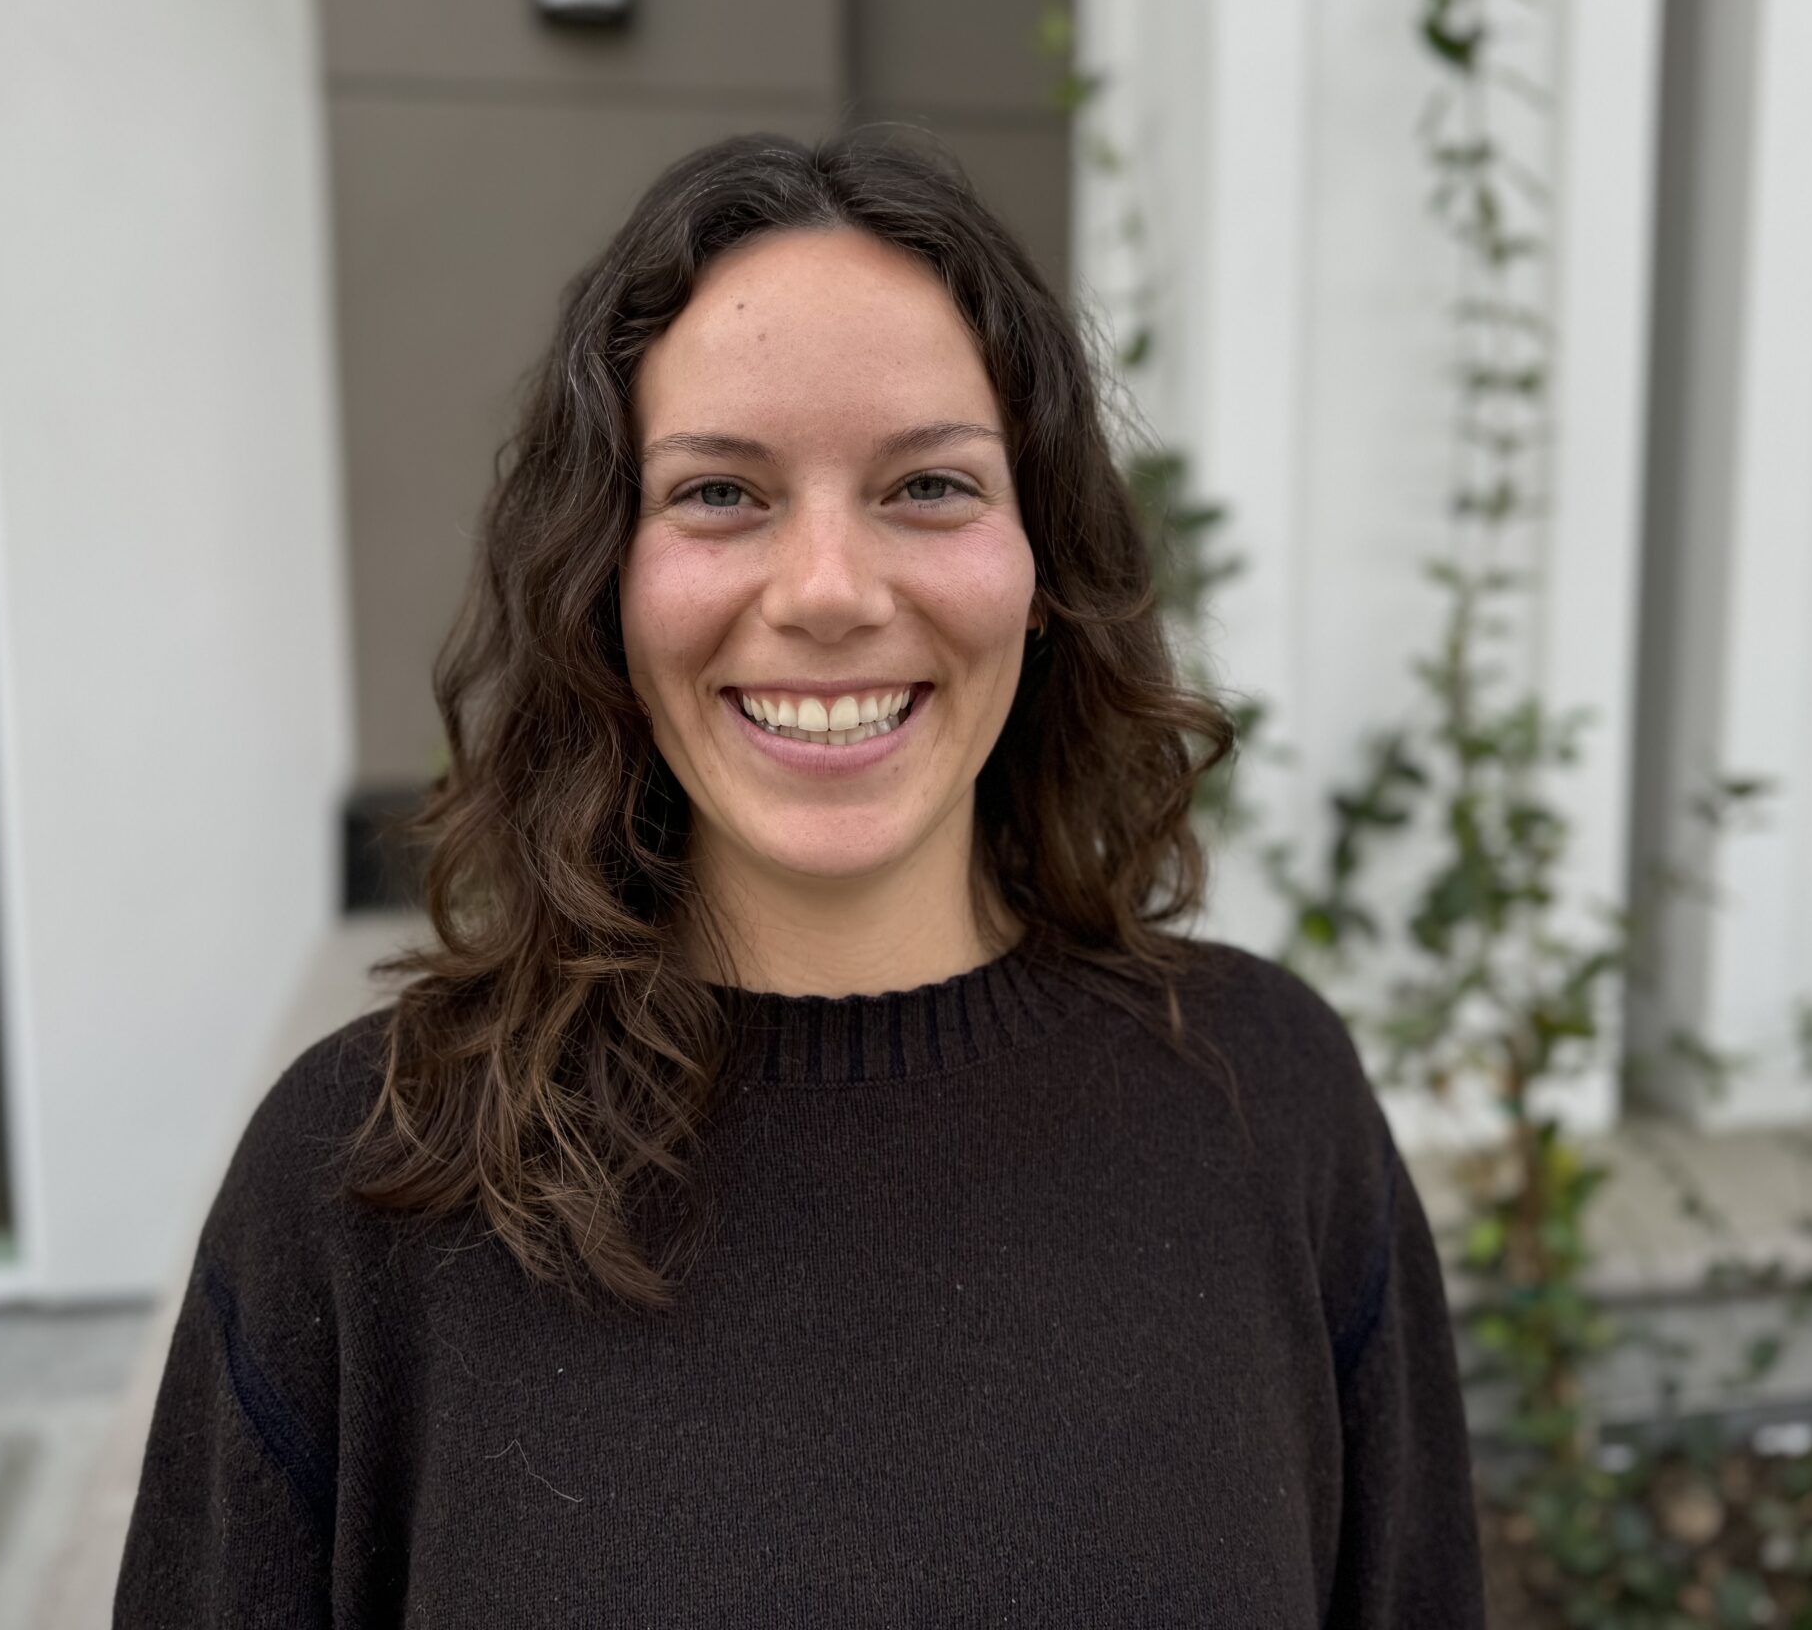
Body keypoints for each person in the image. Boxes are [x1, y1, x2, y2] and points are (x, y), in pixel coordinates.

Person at [111, 132, 1485, 1627]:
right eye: (721, 495)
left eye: (930, 487)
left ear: (1044, 573)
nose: (828, 591)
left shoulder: (1270, 1107)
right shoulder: (363, 1185)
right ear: (603, 587)